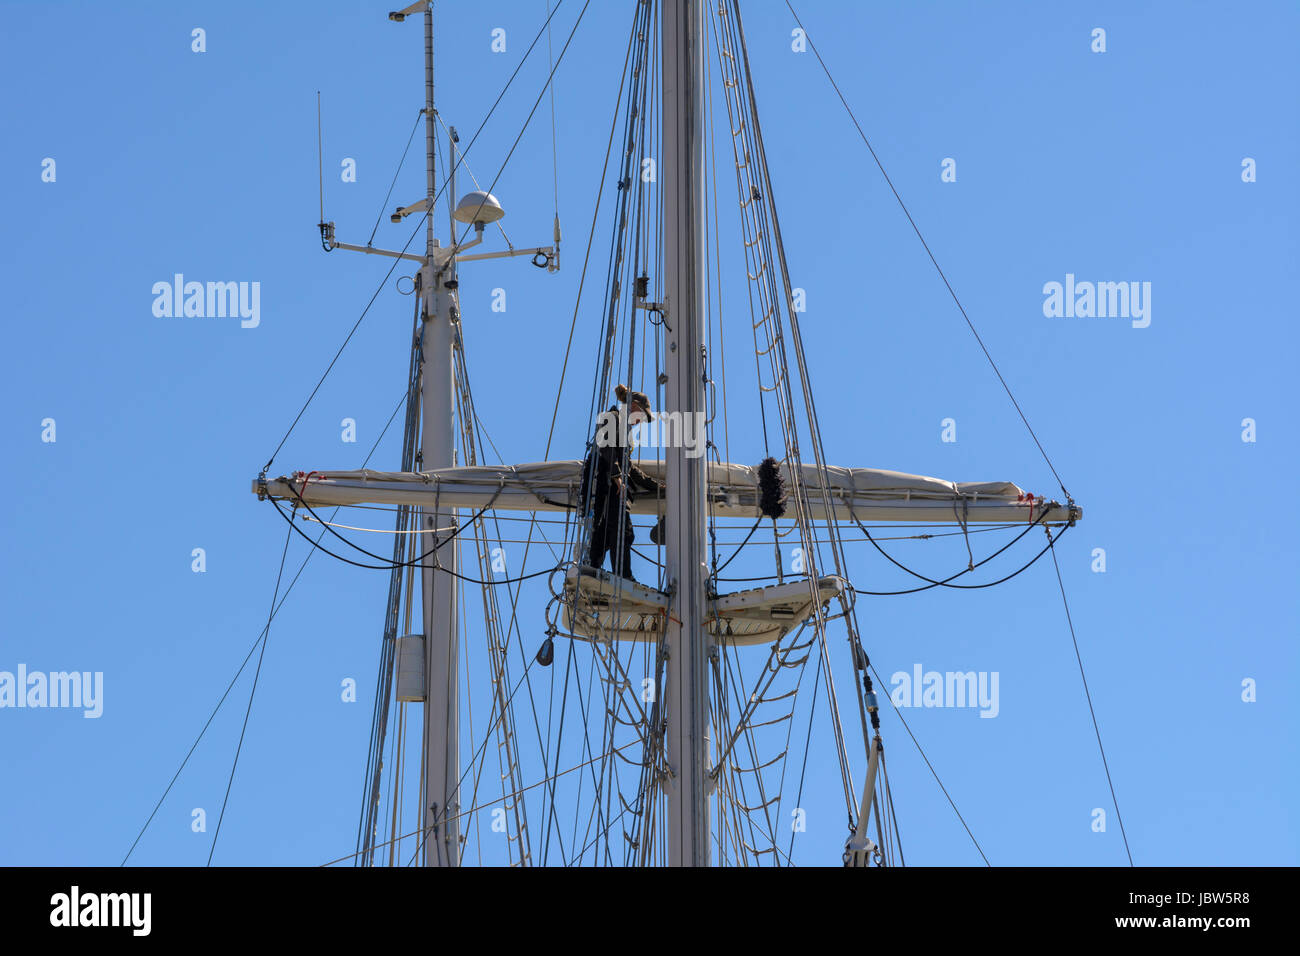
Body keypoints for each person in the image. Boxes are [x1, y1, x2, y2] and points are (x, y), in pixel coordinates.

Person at [579, 384, 664, 582]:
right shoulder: (611, 418)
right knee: (622, 532)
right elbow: (607, 450)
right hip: (606, 485)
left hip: (609, 484)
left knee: (605, 532)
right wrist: (616, 476)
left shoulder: (623, 429)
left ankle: (593, 568)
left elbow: (629, 467)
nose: (640, 422)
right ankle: (623, 575)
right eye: (642, 416)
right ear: (634, 406)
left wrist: (656, 486)